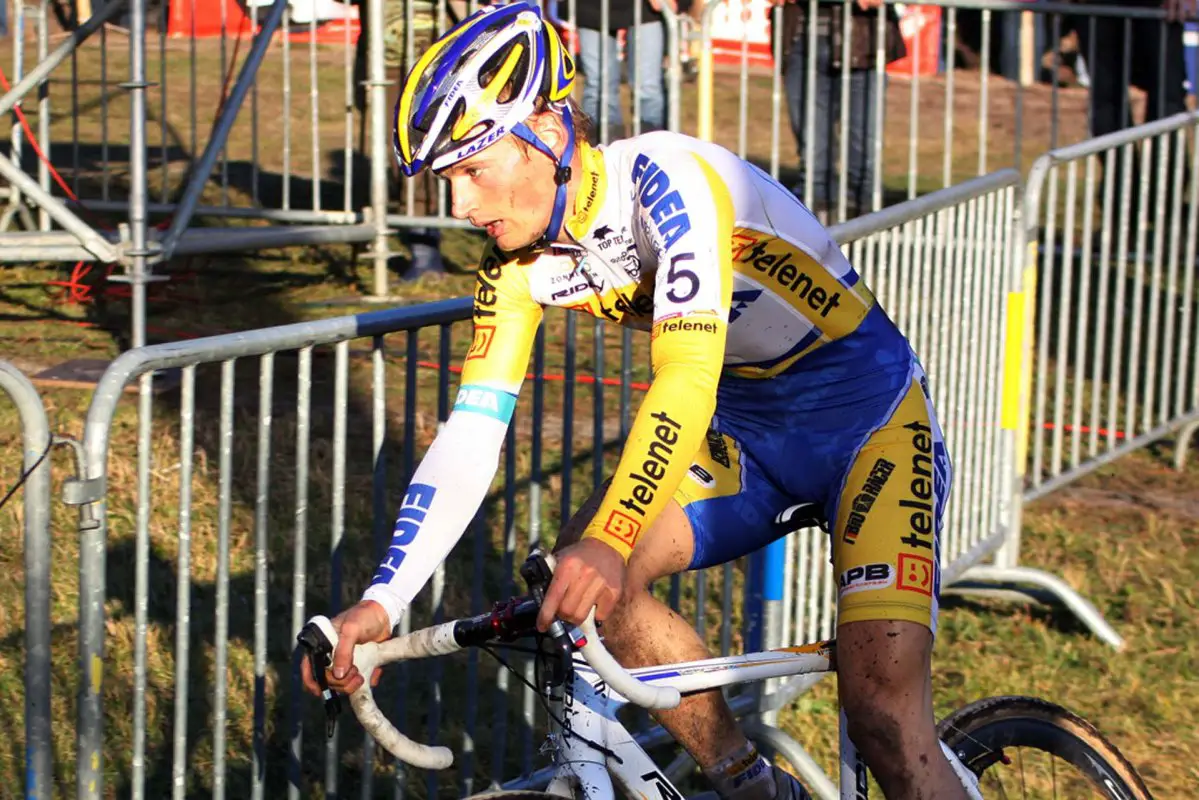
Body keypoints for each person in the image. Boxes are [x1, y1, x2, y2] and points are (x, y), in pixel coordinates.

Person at [305, 3, 972, 798]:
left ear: (548, 135)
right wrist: (384, 600)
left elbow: (686, 371)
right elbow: (470, 434)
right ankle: (751, 783)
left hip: (868, 424)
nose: (459, 207)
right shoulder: (515, 269)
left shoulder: (670, 180)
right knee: (592, 592)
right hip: (747, 435)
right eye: (445, 179)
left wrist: (611, 536)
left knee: (883, 720)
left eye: (471, 171)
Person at [774, 0, 904, 219]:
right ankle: (816, 229)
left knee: (863, 153)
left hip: (864, 43)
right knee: (813, 154)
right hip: (802, 38)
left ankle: (866, 233)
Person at [571, 0, 682, 140]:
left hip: (646, 11)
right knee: (598, 88)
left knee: (647, 88)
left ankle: (652, 147)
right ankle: (600, 150)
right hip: (592, 9)